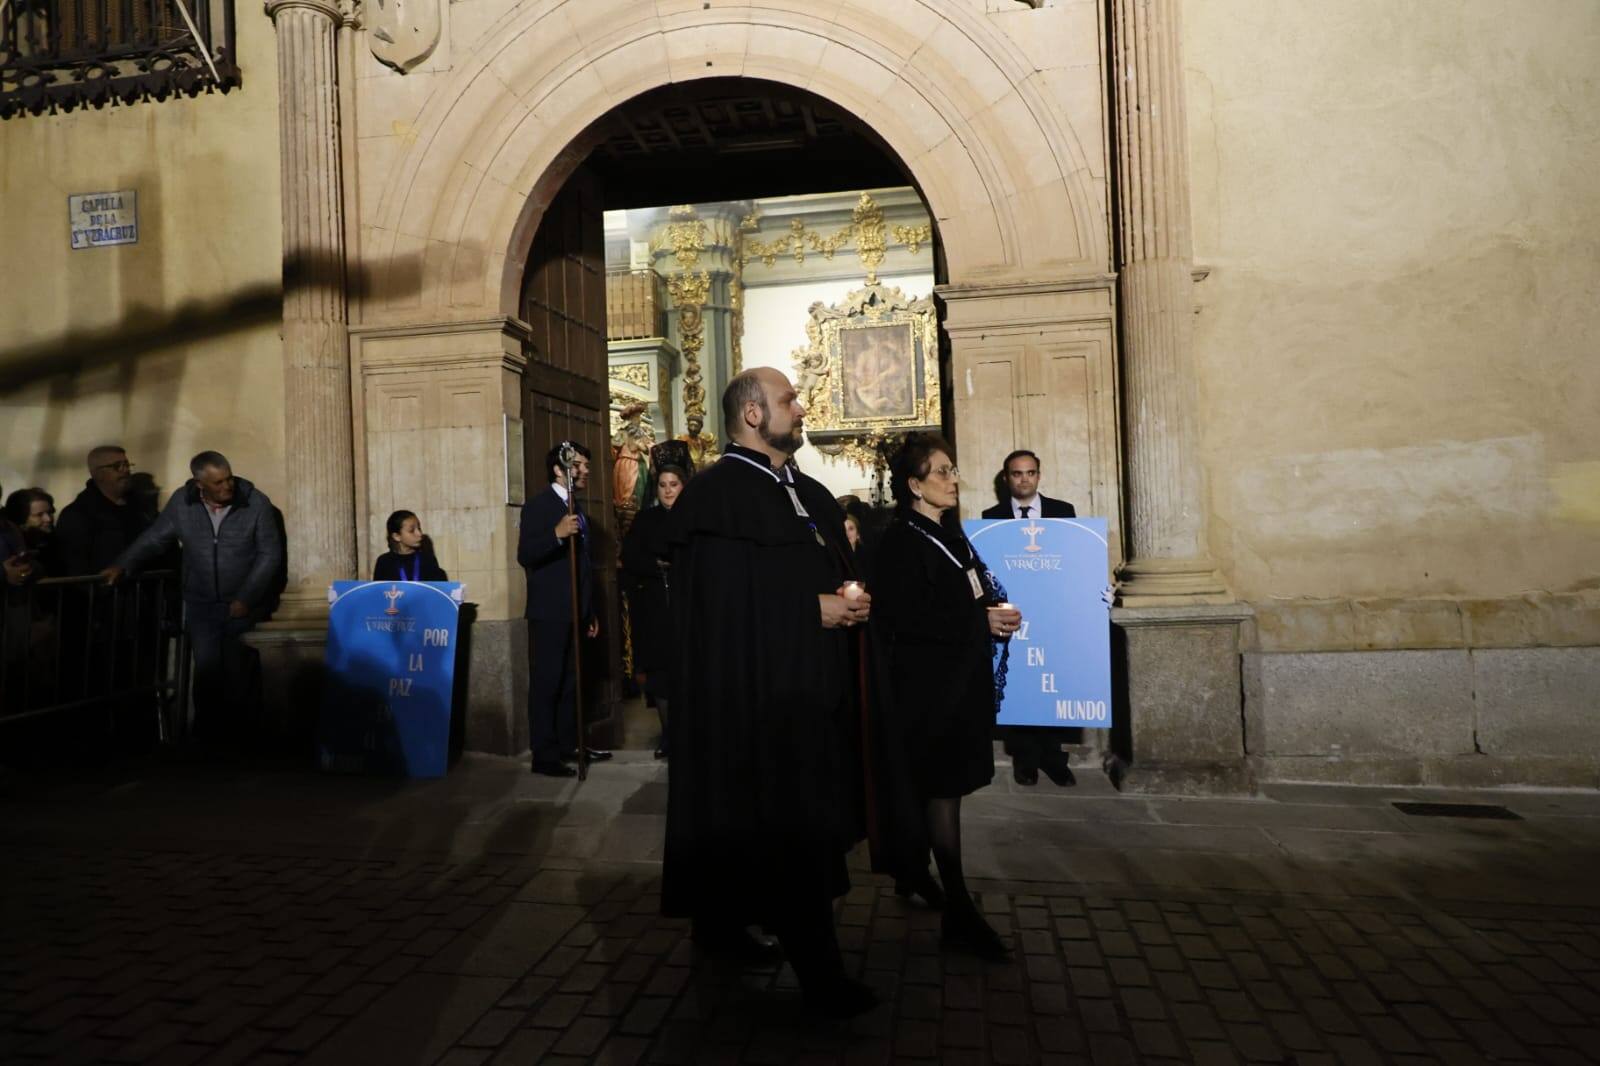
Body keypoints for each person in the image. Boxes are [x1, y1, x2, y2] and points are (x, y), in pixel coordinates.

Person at [662, 367, 876, 1018]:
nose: (801, 406)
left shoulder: (804, 490)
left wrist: (845, 596)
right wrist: (806, 610)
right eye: (788, 400)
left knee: (769, 829)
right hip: (751, 701)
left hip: (806, 688)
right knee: (787, 832)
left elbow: (811, 571)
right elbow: (719, 608)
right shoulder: (715, 496)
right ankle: (822, 979)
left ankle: (722, 929)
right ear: (753, 414)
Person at [870, 434, 1021, 961]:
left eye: (953, 469)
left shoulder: (949, 534)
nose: (953, 479)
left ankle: (914, 874)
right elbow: (902, 617)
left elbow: (973, 587)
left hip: (959, 683)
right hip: (927, 690)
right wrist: (977, 619)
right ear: (915, 485)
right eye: (941, 471)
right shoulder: (900, 540)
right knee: (940, 791)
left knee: (940, 788)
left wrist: (995, 614)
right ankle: (958, 905)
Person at [105, 451, 283, 746]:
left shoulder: (255, 503)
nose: (227, 486)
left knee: (238, 673)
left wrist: (246, 597)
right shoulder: (182, 503)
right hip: (201, 603)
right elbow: (154, 539)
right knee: (207, 673)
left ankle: (242, 741)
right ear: (200, 484)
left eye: (228, 479)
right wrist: (123, 564)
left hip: (241, 603)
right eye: (218, 483)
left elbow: (269, 555)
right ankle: (208, 741)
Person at [982, 448, 1078, 787]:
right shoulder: (990, 517)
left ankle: (1054, 758)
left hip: (1053, 612)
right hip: (1013, 613)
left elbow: (1073, 559)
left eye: (1030, 473)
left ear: (1039, 475)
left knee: (1051, 683)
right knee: (1020, 683)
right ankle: (1025, 759)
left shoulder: (1063, 512)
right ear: (1007, 478)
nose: (1024, 479)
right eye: (1017, 474)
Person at [517, 442, 610, 777]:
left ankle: (568, 743)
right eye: (579, 465)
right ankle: (544, 754)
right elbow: (526, 554)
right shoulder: (539, 507)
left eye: (585, 465)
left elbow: (582, 565)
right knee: (548, 682)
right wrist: (556, 535)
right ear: (559, 469)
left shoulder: (576, 507)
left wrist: (588, 611)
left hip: (575, 611)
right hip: (550, 611)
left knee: (572, 681)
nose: (585, 470)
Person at [620, 443, 689, 759]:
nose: (668, 491)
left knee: (690, 674)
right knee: (662, 678)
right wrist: (655, 565)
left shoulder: (695, 517)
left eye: (673, 485)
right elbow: (630, 558)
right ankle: (669, 735)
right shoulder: (646, 520)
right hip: (656, 612)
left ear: (683, 486)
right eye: (662, 485)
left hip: (690, 610)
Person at [54, 445, 156, 576]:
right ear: (97, 473)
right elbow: (74, 564)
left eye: (127, 464)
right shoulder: (77, 515)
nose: (125, 470)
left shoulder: (142, 508)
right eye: (117, 466)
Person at [372, 510, 448, 581]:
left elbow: (436, 591)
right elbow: (378, 592)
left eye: (419, 528)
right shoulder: (384, 561)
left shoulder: (427, 559)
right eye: (411, 531)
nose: (419, 534)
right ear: (397, 536)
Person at [2, 488, 55, 575]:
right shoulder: (10, 549)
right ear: (20, 518)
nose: (48, 519)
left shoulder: (55, 542)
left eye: (49, 513)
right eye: (39, 515)